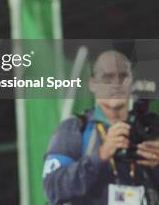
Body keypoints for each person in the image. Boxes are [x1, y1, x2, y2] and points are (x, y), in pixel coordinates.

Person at [43, 50, 159, 205]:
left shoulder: (149, 129)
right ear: (92, 84)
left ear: (131, 80)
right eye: (107, 78)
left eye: (123, 77)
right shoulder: (74, 129)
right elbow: (53, 189)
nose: (116, 84)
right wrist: (101, 156)